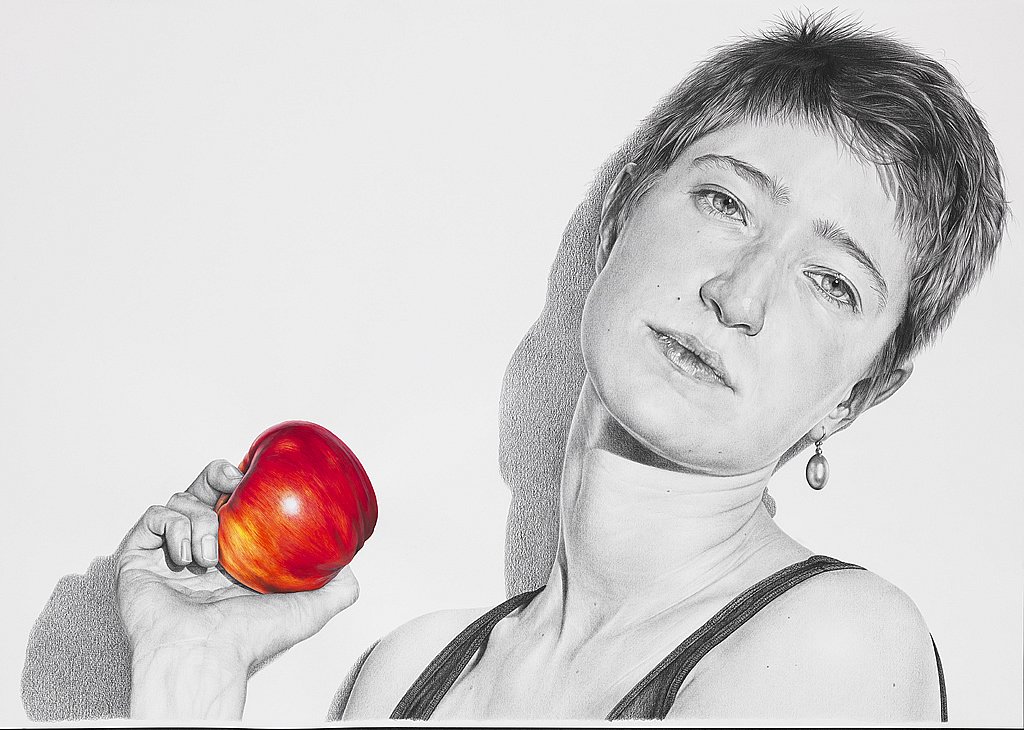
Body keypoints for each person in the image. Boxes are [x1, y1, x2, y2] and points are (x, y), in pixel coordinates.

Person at [23, 11, 1006, 723]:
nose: (740, 294)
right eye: (725, 202)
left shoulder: (834, 647)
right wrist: (190, 680)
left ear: (855, 396)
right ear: (623, 209)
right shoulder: (405, 677)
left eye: (831, 282)